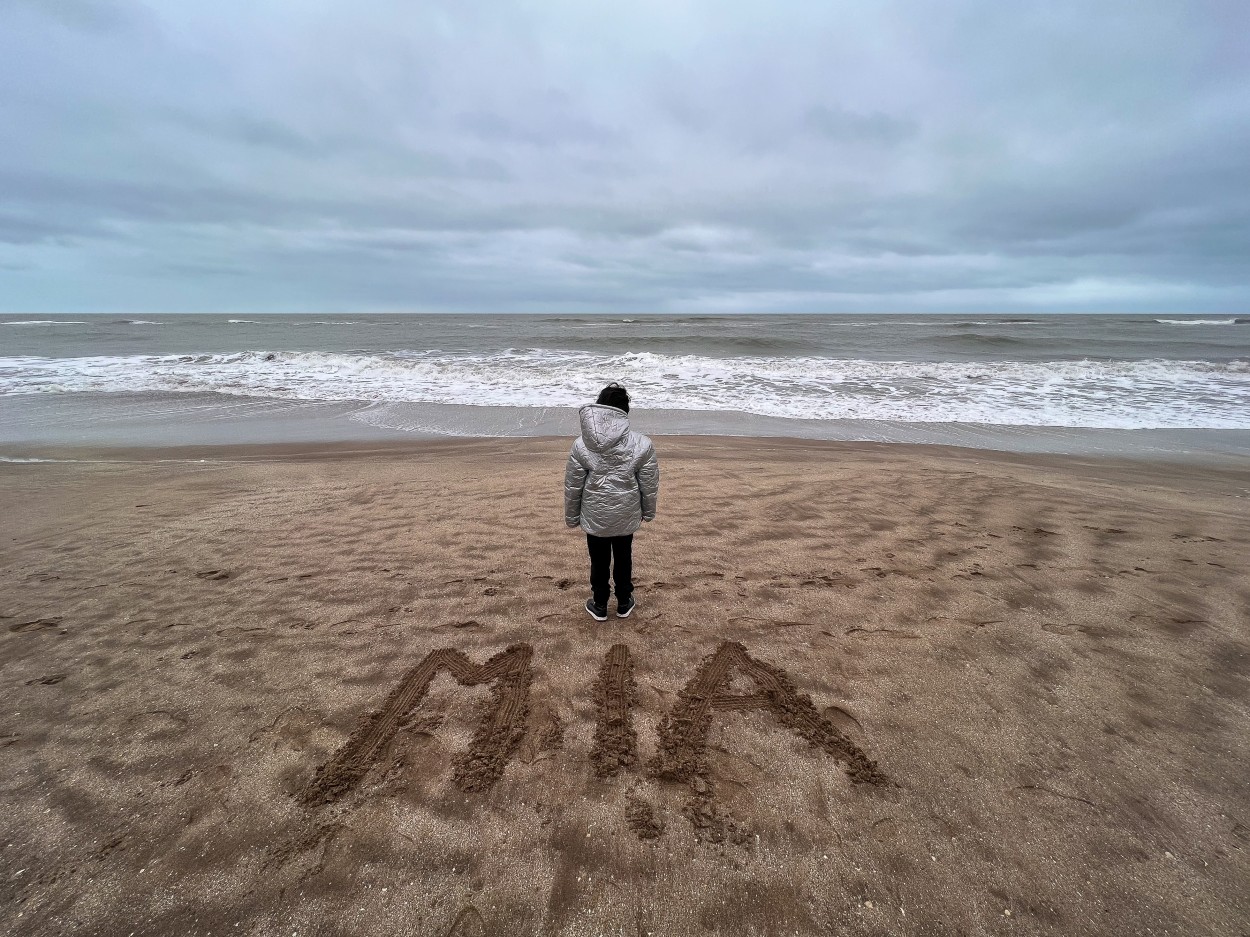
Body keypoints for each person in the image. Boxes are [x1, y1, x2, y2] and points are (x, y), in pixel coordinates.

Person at [564, 382, 660, 621]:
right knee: (623, 556)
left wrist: (572, 517)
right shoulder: (642, 443)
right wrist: (648, 512)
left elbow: (573, 486)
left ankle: (599, 603)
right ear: (624, 411)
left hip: (594, 514)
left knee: (598, 560)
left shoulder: (581, 444)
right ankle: (624, 601)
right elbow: (649, 485)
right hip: (626, 514)